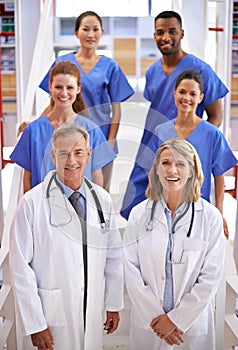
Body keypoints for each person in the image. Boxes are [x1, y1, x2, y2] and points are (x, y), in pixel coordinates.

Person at [9, 124, 124, 350]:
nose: (71, 160)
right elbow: (20, 267)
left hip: (90, 311)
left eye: (78, 152)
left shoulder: (102, 200)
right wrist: (35, 324)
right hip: (49, 317)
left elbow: (113, 257)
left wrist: (113, 303)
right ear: (53, 156)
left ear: (89, 154)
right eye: (63, 153)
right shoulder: (31, 203)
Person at [121, 10, 229, 218]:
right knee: (136, 200)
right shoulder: (153, 71)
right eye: (160, 32)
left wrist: (197, 143)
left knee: (184, 204)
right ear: (154, 36)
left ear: (182, 34)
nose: (166, 38)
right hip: (154, 139)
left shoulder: (200, 70)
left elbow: (215, 115)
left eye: (172, 31)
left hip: (185, 145)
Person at [123, 138, 226, 350]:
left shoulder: (210, 217)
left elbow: (210, 277)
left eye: (181, 164)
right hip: (150, 324)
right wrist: (157, 319)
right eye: (166, 163)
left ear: (192, 171)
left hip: (189, 327)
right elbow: (131, 271)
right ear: (157, 170)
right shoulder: (138, 214)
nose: (172, 170)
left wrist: (176, 321)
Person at [121, 70, 237, 237]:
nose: (186, 98)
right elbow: (154, 170)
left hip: (198, 207)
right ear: (174, 94)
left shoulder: (212, 134)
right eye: (182, 92)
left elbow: (219, 176)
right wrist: (150, 208)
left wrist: (219, 212)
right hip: (165, 207)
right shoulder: (161, 130)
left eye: (193, 94)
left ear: (201, 98)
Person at [39, 10, 134, 191]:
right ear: (76, 33)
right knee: (66, 187)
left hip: (101, 135)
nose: (90, 34)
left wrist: (110, 141)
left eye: (95, 29)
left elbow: (117, 110)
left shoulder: (110, 66)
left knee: (101, 192)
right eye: (85, 29)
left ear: (101, 33)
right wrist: (34, 123)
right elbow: (53, 103)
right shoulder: (63, 62)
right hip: (68, 137)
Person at [10, 61, 116, 193]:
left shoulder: (91, 130)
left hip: (80, 207)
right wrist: (30, 211)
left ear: (78, 89)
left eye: (70, 87)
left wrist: (96, 208)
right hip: (43, 207)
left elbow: (96, 175)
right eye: (58, 87)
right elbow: (28, 177)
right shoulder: (33, 131)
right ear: (50, 87)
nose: (64, 93)